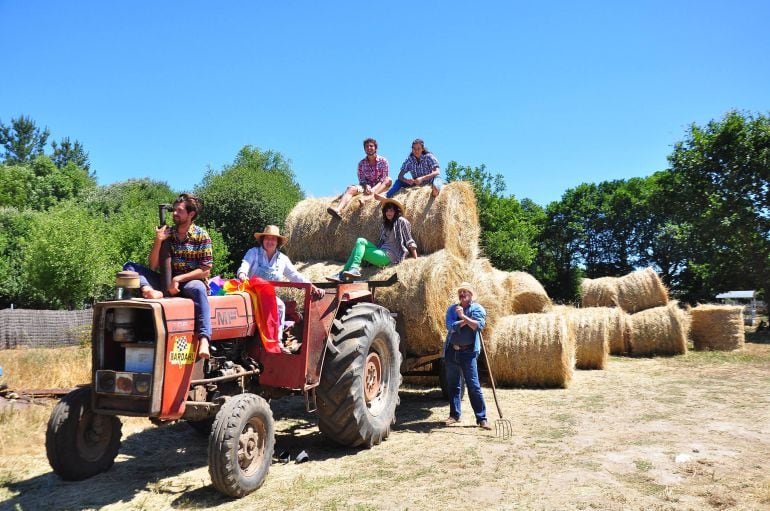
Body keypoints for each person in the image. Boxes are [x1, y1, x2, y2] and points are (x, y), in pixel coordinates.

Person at [123, 193, 213, 359]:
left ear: (191, 214)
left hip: (189, 282)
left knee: (199, 289)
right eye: (174, 210)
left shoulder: (202, 235)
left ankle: (204, 339)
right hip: (165, 281)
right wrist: (158, 241)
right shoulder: (168, 233)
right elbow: (153, 265)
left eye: (179, 211)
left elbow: (205, 270)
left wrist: (178, 279)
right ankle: (149, 290)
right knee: (129, 266)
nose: (175, 214)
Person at [236, 225, 324, 336]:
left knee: (280, 306)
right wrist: (243, 274)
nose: (270, 241)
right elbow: (245, 264)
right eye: (267, 238)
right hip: (249, 291)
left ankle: (277, 341)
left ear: (278, 242)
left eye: (273, 239)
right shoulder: (253, 253)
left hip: (267, 295)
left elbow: (294, 275)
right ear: (262, 240)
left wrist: (313, 287)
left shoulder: (283, 259)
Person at [327, 196, 417, 281]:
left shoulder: (402, 221)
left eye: (391, 211)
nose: (388, 213)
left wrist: (416, 260)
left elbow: (409, 240)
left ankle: (346, 272)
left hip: (390, 257)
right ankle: (347, 272)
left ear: (396, 212)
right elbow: (381, 243)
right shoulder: (385, 225)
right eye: (387, 211)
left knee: (358, 250)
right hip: (381, 252)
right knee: (360, 242)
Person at [443, 282, 491, 430]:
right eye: (460, 292)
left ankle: (481, 418)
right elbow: (450, 326)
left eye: (465, 292)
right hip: (452, 351)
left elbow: (479, 326)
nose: (462, 294)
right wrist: (466, 320)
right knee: (453, 385)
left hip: (468, 352)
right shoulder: (452, 309)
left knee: (474, 386)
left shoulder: (477, 309)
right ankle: (454, 415)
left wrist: (462, 316)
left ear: (471, 295)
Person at [327, 138, 392, 218]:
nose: (369, 148)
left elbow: (383, 178)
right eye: (366, 146)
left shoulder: (383, 161)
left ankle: (368, 198)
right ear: (364, 149)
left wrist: (374, 189)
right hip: (366, 187)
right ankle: (338, 209)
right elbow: (362, 179)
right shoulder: (361, 164)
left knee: (388, 179)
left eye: (371, 146)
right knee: (351, 188)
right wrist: (366, 186)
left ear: (375, 148)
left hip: (380, 186)